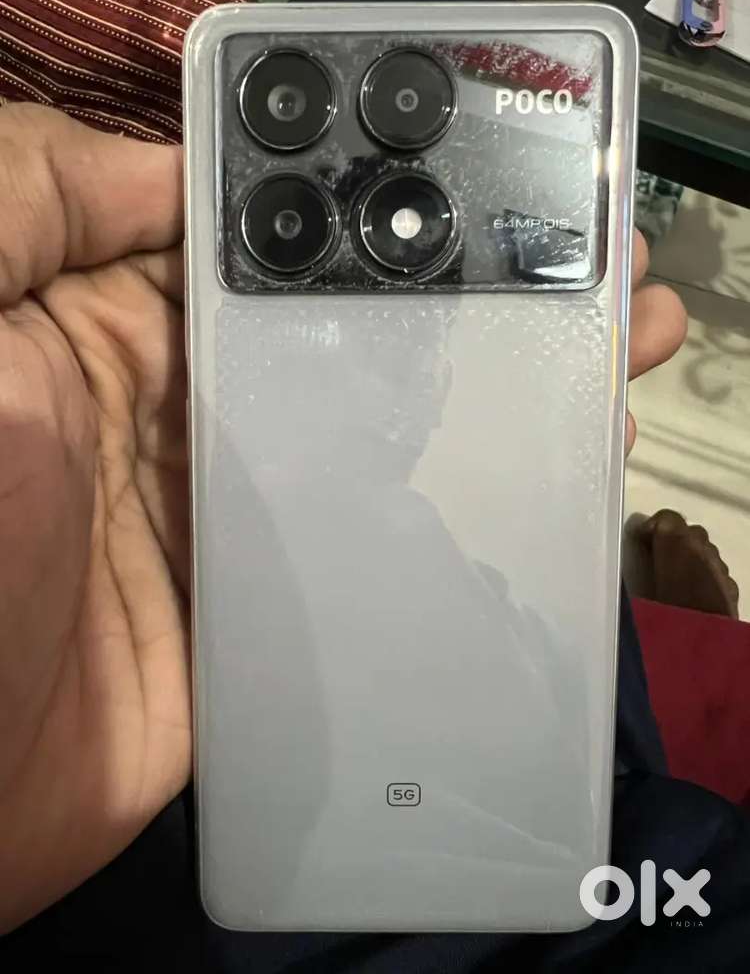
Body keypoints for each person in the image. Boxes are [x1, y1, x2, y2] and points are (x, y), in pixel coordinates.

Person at [0, 102, 748, 971]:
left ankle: (681, 633)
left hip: (195, 879)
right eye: (382, 345)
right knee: (604, 687)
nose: (419, 382)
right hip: (615, 882)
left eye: (422, 351)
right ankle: (694, 630)